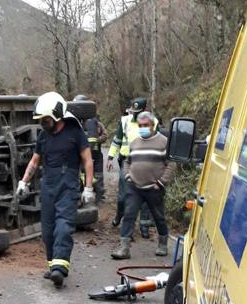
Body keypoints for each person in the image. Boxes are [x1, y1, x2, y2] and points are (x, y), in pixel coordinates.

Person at [16, 92, 95, 288]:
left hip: (68, 185)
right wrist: (24, 182)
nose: (43, 123)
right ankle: (53, 266)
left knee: (63, 226)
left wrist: (88, 188)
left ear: (57, 115)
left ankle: (60, 269)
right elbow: (35, 161)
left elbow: (87, 160)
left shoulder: (75, 133)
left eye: (45, 119)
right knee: (48, 230)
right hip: (48, 185)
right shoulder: (44, 136)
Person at [111, 111, 176, 259]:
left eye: (145, 125)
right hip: (135, 187)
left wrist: (161, 182)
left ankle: (162, 243)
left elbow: (171, 164)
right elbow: (127, 161)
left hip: (154, 188)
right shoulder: (134, 143)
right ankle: (124, 248)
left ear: (153, 125)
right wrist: (127, 175)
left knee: (158, 216)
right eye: (140, 125)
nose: (142, 128)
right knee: (129, 215)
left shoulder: (163, 142)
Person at [106, 98, 158, 238]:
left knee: (145, 196)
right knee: (123, 196)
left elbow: (158, 141)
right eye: (133, 112)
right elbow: (117, 140)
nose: (135, 115)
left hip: (146, 163)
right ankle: (119, 215)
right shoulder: (125, 121)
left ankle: (144, 226)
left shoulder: (154, 122)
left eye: (138, 112)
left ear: (145, 110)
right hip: (127, 162)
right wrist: (110, 157)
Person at [75, 95, 107, 203]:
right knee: (80, 175)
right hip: (81, 155)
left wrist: (97, 140)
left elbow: (104, 135)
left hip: (96, 154)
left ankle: (100, 197)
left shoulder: (96, 122)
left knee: (98, 176)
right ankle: (81, 195)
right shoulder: (74, 123)